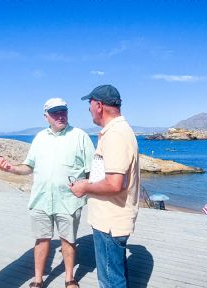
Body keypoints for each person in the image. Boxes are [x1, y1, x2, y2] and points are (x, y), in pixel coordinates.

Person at [0, 98, 94, 288]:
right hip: (41, 199)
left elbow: (92, 171)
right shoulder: (40, 138)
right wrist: (11, 169)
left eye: (63, 111)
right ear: (46, 117)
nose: (60, 115)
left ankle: (69, 278)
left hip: (69, 200)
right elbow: (28, 166)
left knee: (68, 240)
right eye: (55, 113)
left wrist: (89, 191)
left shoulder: (80, 136)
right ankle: (38, 280)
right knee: (41, 240)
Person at [69, 84, 140, 288]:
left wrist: (84, 187)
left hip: (110, 222)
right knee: (115, 276)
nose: (89, 110)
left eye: (90, 105)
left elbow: (114, 184)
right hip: (110, 220)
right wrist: (88, 183)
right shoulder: (115, 132)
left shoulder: (115, 135)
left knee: (110, 281)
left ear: (99, 105)